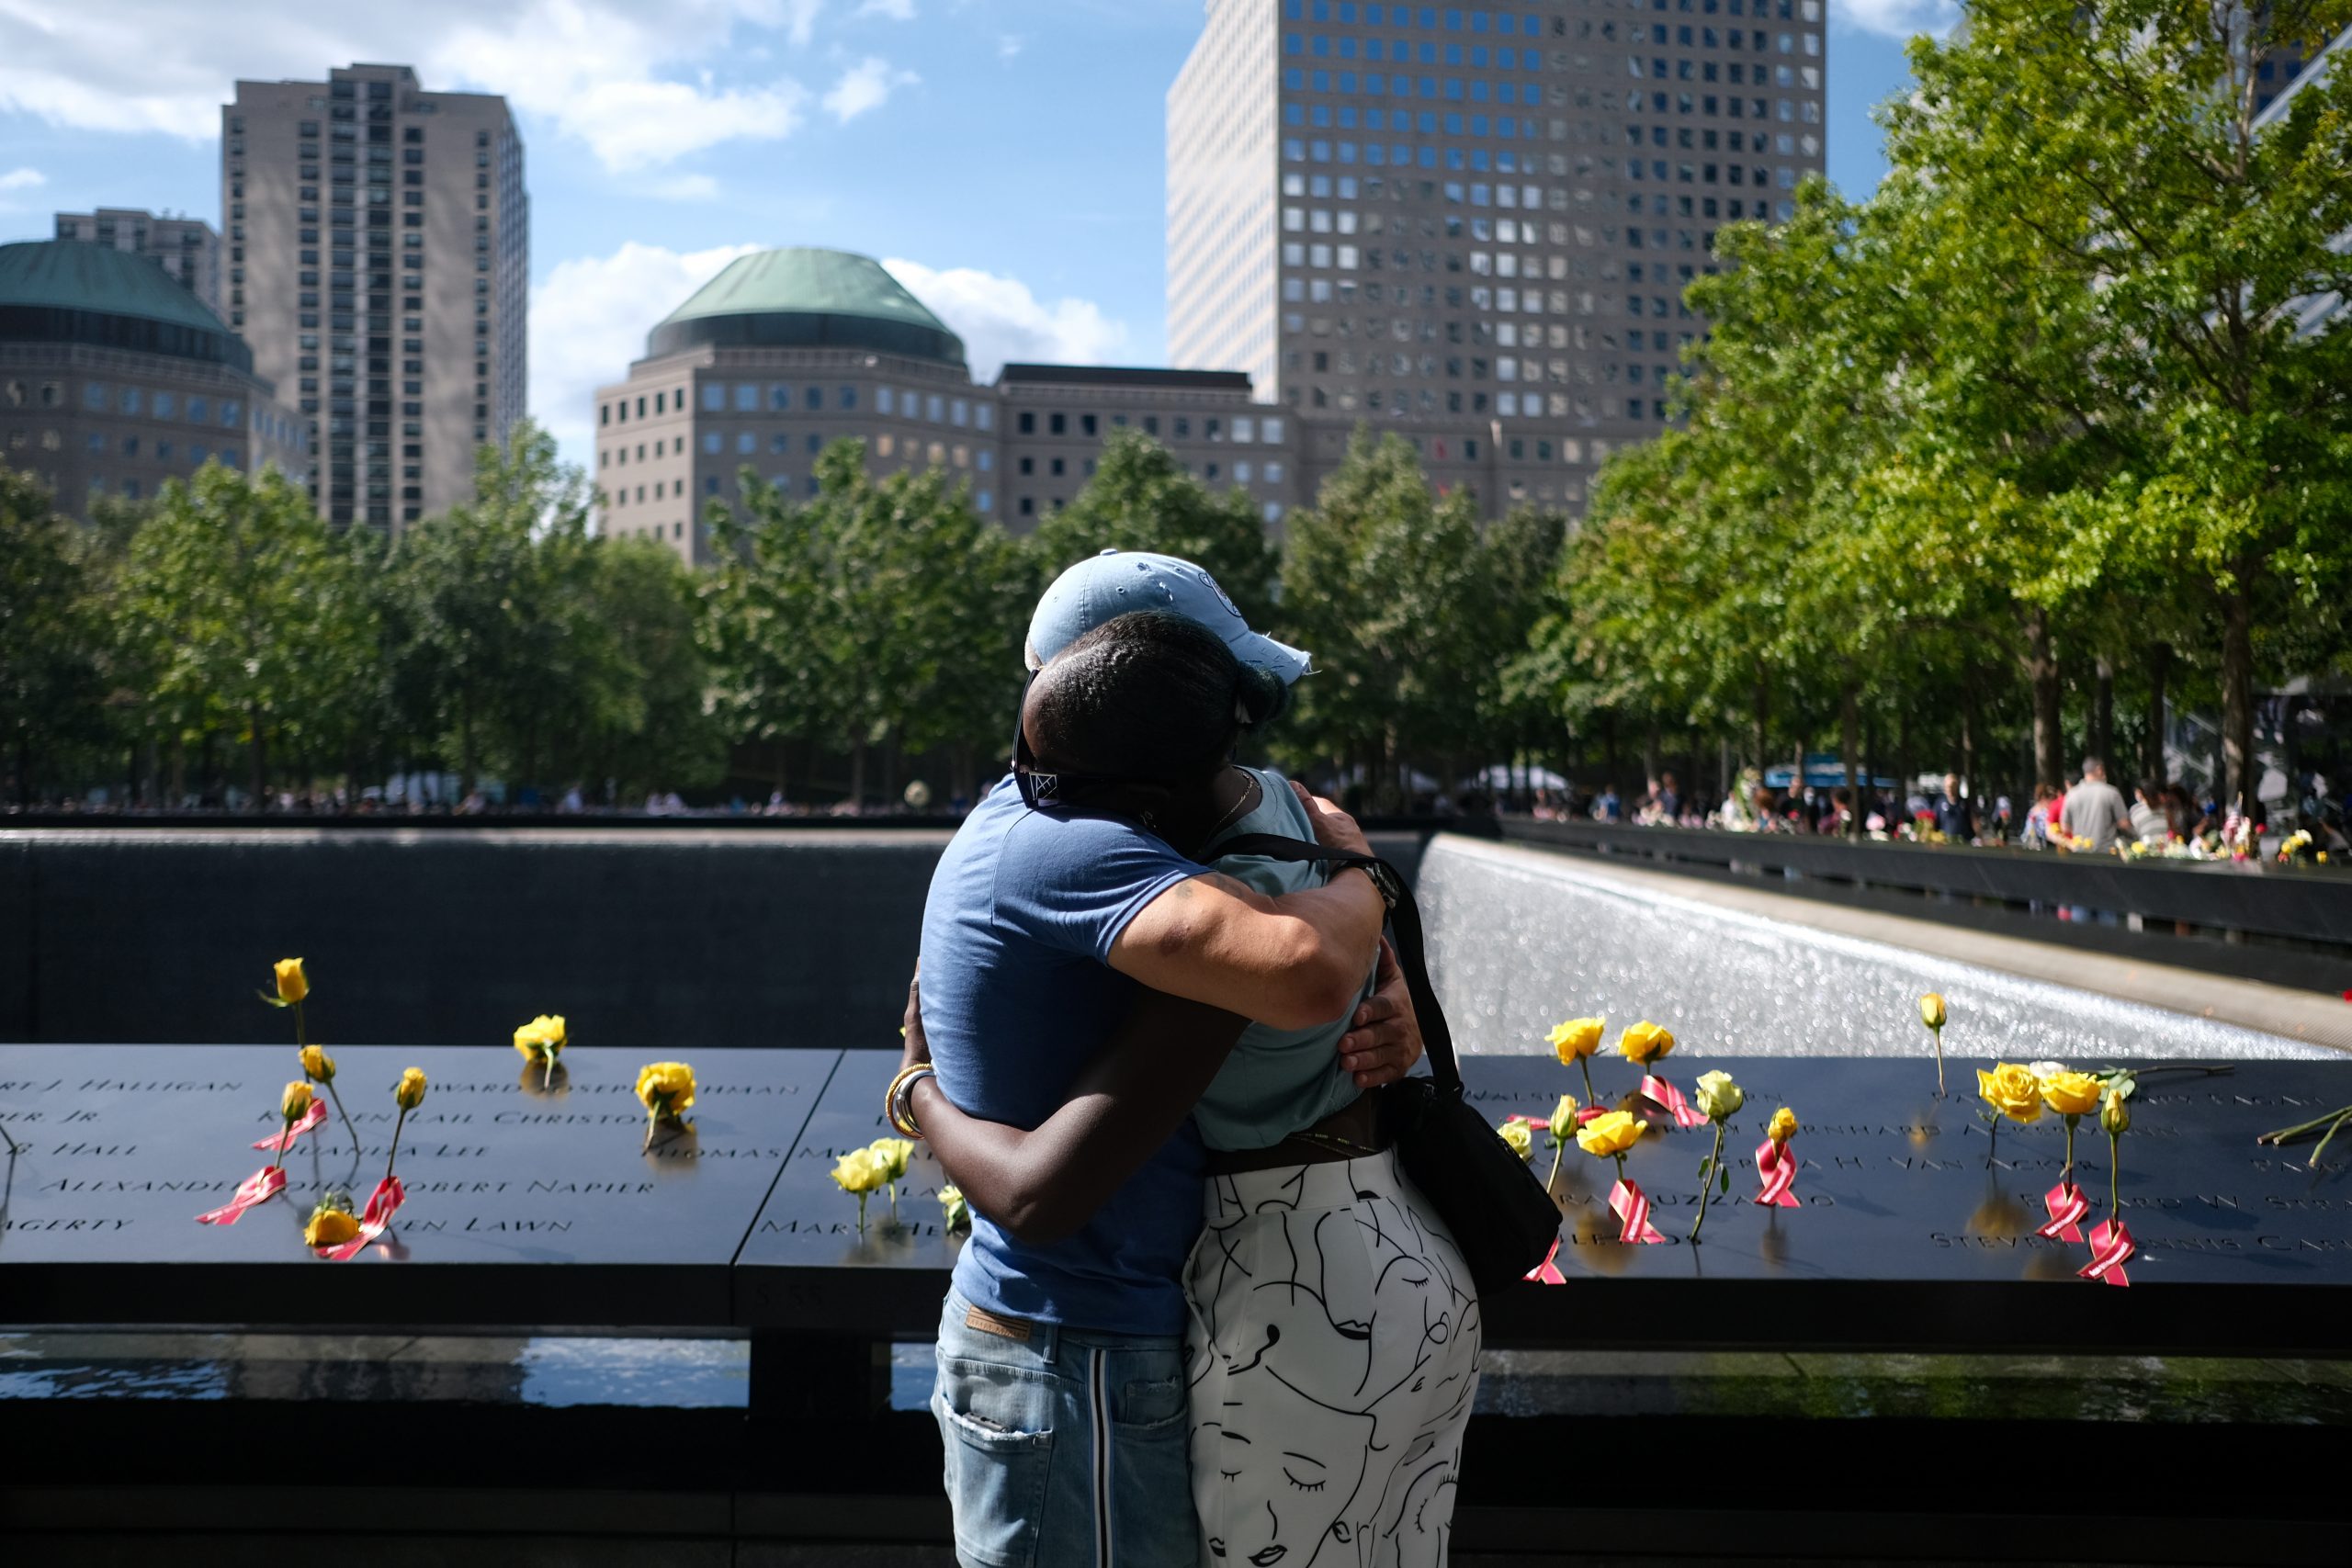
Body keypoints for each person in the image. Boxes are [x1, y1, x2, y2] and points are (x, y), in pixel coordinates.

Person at [909, 611, 1473, 1568]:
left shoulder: (1053, 833)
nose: (1027, 788)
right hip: (1075, 1350)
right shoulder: (1081, 848)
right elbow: (1301, 971)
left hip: (1072, 1345)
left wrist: (1384, 990)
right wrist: (1362, 873)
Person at [2059, 756, 2136, 853]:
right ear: (2099, 769)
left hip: (2080, 852)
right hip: (2106, 852)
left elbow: (2065, 827)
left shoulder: (2071, 795)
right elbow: (2124, 824)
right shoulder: (2111, 792)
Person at [1935, 773, 1977, 844]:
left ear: (1957, 786)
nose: (1950, 789)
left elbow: (1974, 822)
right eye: (1948, 786)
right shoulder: (1939, 803)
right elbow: (1934, 822)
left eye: (1952, 786)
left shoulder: (1964, 803)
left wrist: (1979, 837)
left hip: (1963, 844)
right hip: (1944, 844)